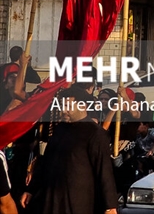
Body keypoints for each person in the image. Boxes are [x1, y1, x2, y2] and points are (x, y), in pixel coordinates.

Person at [22, 86, 118, 214]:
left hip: (78, 200)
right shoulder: (60, 129)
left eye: (68, 106)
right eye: (62, 106)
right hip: (51, 198)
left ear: (82, 106)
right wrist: (31, 190)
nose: (64, 110)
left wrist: (110, 205)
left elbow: (104, 170)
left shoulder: (95, 133)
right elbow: (45, 162)